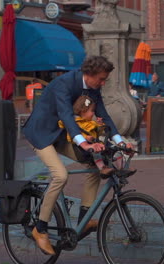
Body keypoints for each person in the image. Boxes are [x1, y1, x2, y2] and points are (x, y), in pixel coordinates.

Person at [23, 55, 133, 255]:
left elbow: (104, 115)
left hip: (61, 134)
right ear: (88, 74)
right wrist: (83, 142)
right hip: (41, 133)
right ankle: (40, 229)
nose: (103, 83)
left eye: (105, 79)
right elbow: (66, 114)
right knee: (60, 176)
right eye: (101, 79)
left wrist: (120, 140)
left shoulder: (93, 87)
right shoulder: (64, 84)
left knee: (94, 167)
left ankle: (85, 217)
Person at [58, 95, 126, 176]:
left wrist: (100, 125)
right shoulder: (74, 123)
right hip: (84, 148)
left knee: (115, 150)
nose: (94, 113)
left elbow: (99, 132)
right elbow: (71, 136)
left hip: (97, 142)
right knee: (96, 152)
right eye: (92, 111)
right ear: (83, 111)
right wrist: (85, 138)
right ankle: (102, 168)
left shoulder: (91, 123)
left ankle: (121, 169)